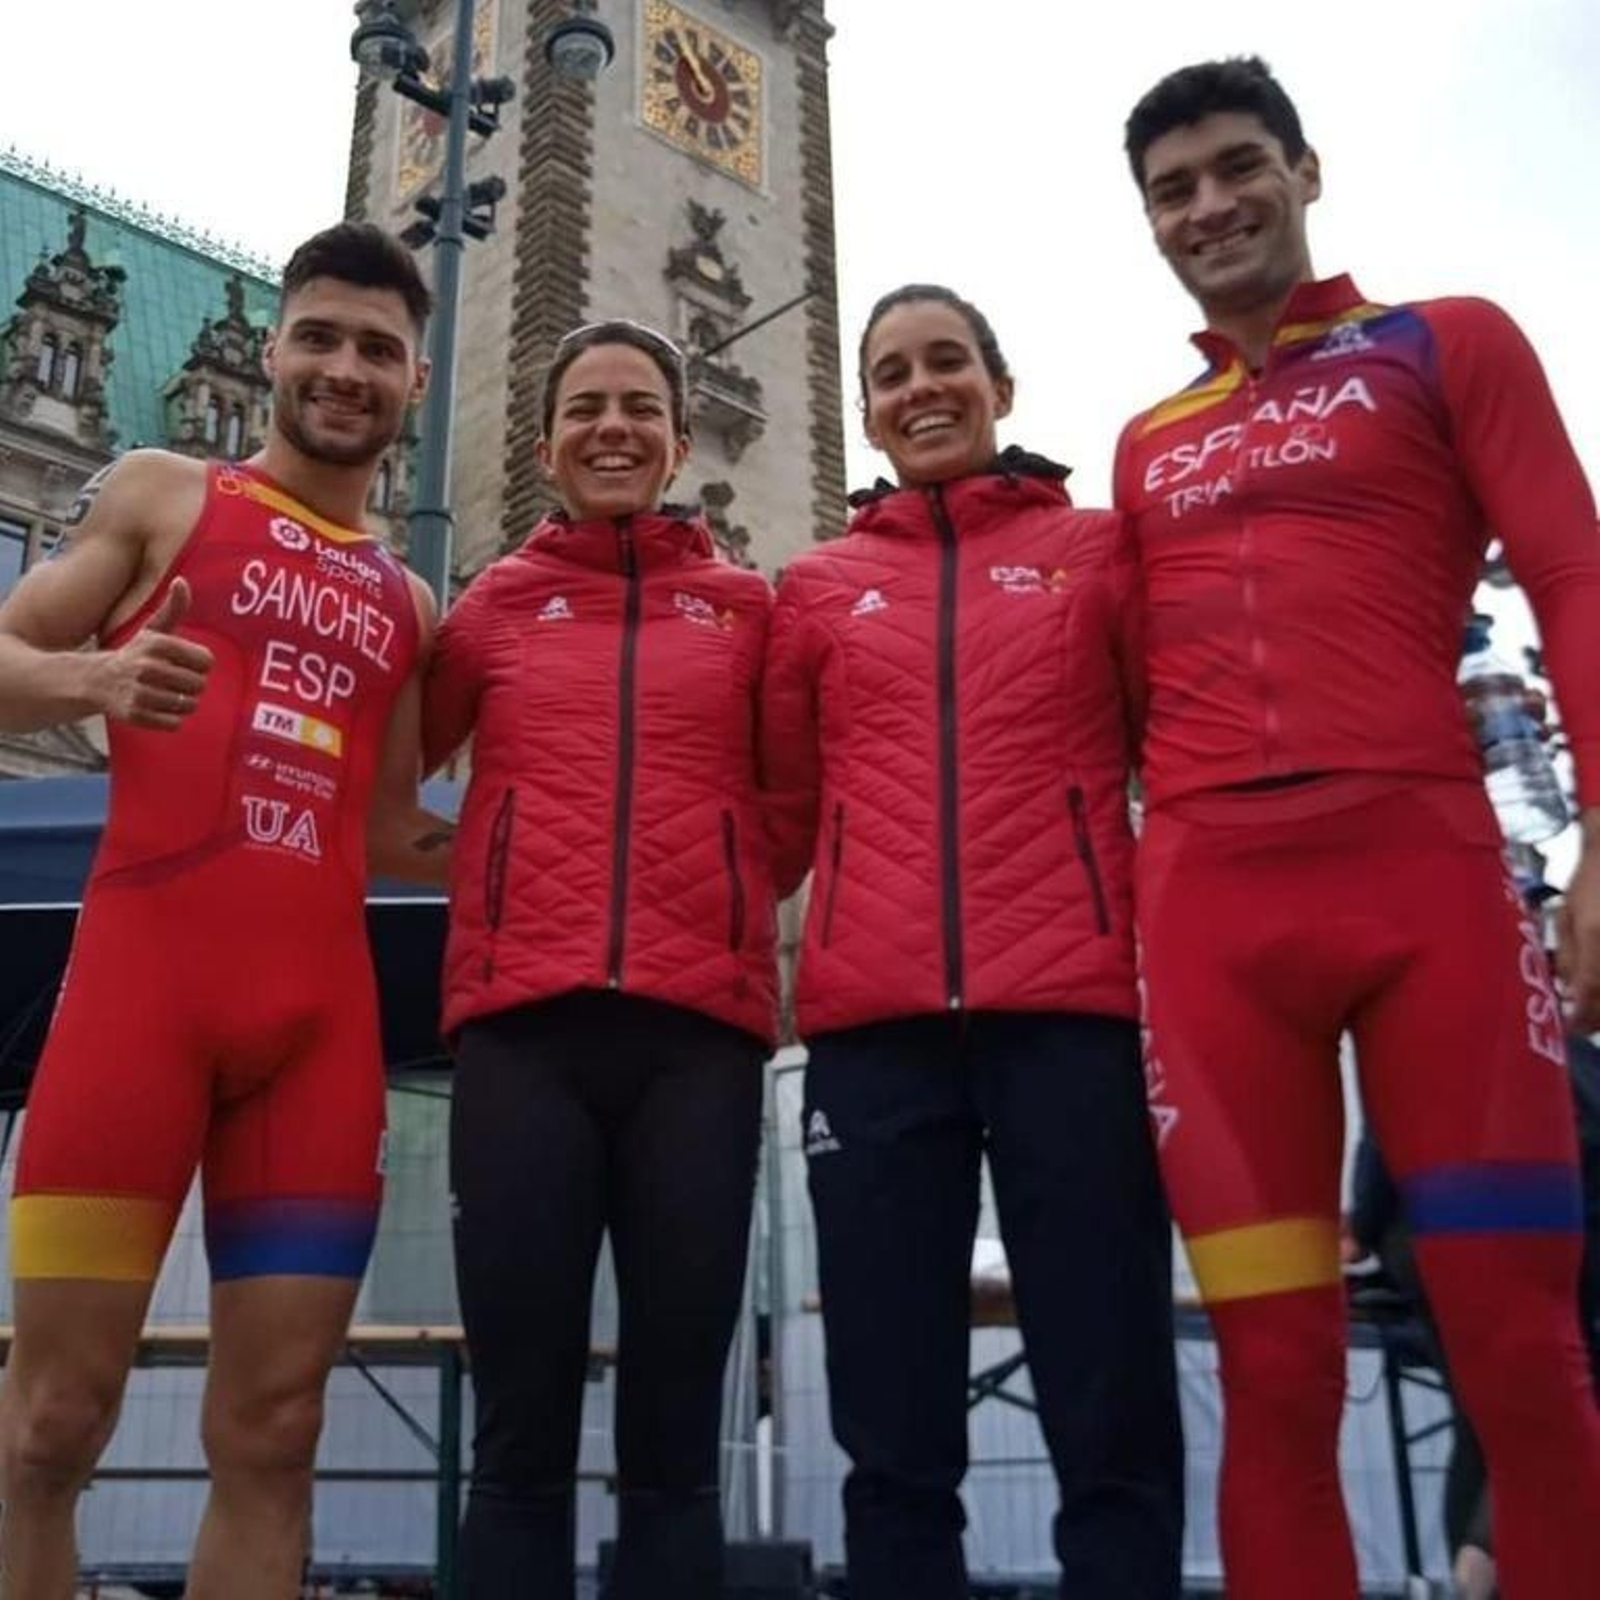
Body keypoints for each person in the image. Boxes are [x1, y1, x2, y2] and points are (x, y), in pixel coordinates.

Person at [1115, 56, 1600, 1599]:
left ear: (1305, 171)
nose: (1210, 206)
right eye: (1174, 190)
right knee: (1273, 1377)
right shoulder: (1144, 438)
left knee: (1518, 1350)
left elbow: (1573, 574)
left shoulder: (1449, 341)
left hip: (1427, 885)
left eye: (1237, 167)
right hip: (1209, 915)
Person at [0, 221, 449, 1600]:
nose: (344, 368)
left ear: (415, 380)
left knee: (275, 1431)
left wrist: (593, 848)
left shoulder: (410, 598)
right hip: (138, 1003)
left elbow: (393, 831)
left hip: (315, 1038)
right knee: (52, 1423)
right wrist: (93, 682)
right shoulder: (162, 489)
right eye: (319, 336)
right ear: (275, 352)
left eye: (376, 348)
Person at [761, 285, 1182, 1600]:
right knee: (889, 1419)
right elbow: (774, 815)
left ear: (1002, 387)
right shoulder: (815, 589)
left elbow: (1177, 758)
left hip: (1074, 1016)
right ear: (867, 413)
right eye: (891, 374)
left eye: (947, 362)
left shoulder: (1100, 551)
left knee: (1110, 1392)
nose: (920, 388)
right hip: (872, 1033)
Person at [422, 319, 777, 1600]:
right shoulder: (492, 606)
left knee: (674, 1447)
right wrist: (489, 870)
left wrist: (721, 892)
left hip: (699, 1043)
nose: (612, 427)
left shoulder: (749, 610)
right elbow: (384, 775)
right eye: (584, 408)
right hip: (522, 1039)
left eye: (638, 408)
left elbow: (792, 802)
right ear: (546, 447)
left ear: (679, 444)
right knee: (518, 1439)